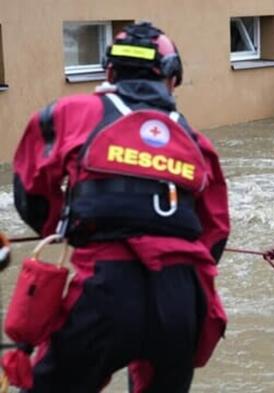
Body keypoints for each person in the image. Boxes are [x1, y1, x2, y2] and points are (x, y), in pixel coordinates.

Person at [11, 22, 230, 392]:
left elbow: (29, 188)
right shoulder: (195, 141)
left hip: (105, 289)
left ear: (110, 72)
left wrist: (65, 227)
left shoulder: (67, 114)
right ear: (172, 79)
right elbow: (216, 231)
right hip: (180, 301)